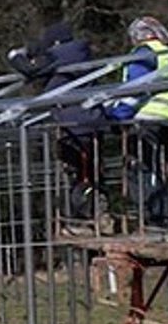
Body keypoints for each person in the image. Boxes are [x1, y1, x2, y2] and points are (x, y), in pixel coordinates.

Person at [7, 21, 104, 221]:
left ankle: (88, 216)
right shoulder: (75, 53)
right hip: (83, 120)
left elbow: (31, 70)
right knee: (84, 171)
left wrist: (15, 56)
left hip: (76, 122)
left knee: (82, 172)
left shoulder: (65, 54)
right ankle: (89, 215)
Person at [106, 15, 168, 229]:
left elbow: (136, 90)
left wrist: (117, 115)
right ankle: (164, 216)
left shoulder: (144, 55)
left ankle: (154, 218)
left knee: (140, 168)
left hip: (146, 117)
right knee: (158, 169)